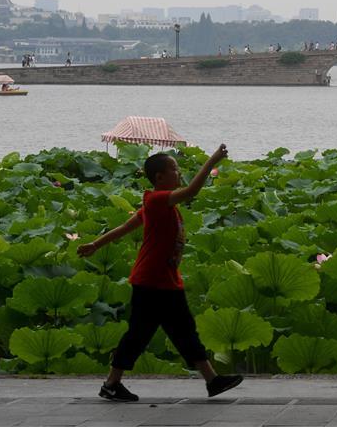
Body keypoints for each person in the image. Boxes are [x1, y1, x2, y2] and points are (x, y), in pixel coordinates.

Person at [78, 145, 243, 402]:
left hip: (164, 281)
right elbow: (192, 191)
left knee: (181, 331)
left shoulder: (162, 206)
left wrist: (95, 244)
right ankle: (112, 383)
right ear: (159, 178)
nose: (179, 173)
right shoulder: (156, 201)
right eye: (174, 170)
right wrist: (212, 160)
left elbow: (124, 227)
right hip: (151, 282)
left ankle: (212, 380)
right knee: (142, 334)